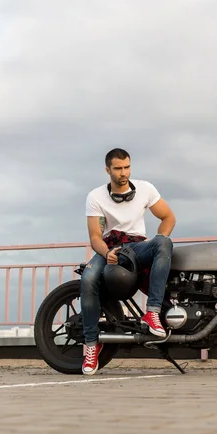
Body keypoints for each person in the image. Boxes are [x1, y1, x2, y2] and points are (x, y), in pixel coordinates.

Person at [80, 148, 176, 375]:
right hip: (110, 247)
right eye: (118, 168)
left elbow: (168, 217)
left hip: (137, 246)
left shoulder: (145, 189)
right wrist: (106, 253)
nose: (124, 173)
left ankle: (152, 312)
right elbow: (95, 236)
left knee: (164, 243)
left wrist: (159, 241)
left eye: (127, 167)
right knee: (88, 279)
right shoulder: (95, 197)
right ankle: (92, 346)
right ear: (107, 170)